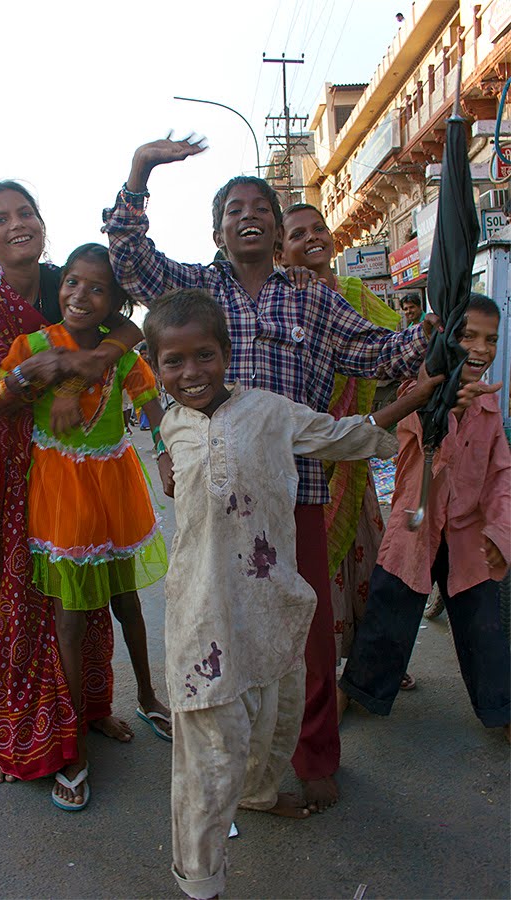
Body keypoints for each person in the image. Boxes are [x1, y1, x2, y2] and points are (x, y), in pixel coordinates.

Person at [102, 134, 436, 811]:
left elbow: (377, 352)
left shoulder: (315, 298)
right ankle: (239, 771)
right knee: (217, 633)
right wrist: (140, 171)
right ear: (218, 229)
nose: (248, 216)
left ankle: (314, 756)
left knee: (306, 637)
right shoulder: (193, 286)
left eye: (261, 207)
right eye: (234, 210)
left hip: (295, 496)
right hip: (211, 503)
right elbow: (131, 261)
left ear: (279, 231)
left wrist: (436, 331)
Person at [142, 287, 444, 899]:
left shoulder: (271, 411)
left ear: (226, 353)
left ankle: (255, 795)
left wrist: (411, 400)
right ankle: (200, 881)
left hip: (273, 601)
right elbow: (156, 420)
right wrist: (159, 452)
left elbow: (342, 435)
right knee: (206, 753)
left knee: (273, 721)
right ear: (157, 367)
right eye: (173, 362)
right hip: (202, 616)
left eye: (203, 355)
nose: (190, 372)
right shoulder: (170, 421)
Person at [0, 181, 145, 785]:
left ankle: (87, 713)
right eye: (1, 219)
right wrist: (29, 374)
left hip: (69, 474)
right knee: (14, 611)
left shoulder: (63, 283)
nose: (17, 223)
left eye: (26, 212)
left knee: (82, 603)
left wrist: (92, 363)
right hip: (5, 481)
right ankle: (14, 736)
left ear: (43, 224)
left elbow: (125, 325)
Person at [0, 243, 169, 809]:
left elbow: (153, 403)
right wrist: (23, 382)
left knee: (127, 602)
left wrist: (166, 452)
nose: (80, 296)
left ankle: (150, 697)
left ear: (114, 302)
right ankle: (75, 750)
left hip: (114, 489)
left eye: (97, 288)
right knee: (69, 620)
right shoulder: (34, 345)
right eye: (73, 284)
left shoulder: (120, 354)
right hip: (60, 496)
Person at [339, 295, 510, 740]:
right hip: (415, 528)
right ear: (446, 339)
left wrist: (499, 530)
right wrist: (449, 407)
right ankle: (358, 690)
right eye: (468, 336)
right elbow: (421, 444)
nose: (481, 348)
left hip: (468, 534)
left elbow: (500, 475)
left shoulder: (491, 408)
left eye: (490, 339)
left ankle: (501, 707)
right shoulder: (417, 396)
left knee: (484, 628)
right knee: (387, 617)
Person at [276, 203, 416, 703]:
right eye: (297, 234)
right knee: (319, 573)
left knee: (369, 564)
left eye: (318, 229)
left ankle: (371, 664)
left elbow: (394, 347)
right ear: (281, 247)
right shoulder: (282, 298)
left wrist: (409, 403)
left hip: (354, 456)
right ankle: (324, 676)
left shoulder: (356, 294)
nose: (312, 238)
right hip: (306, 456)